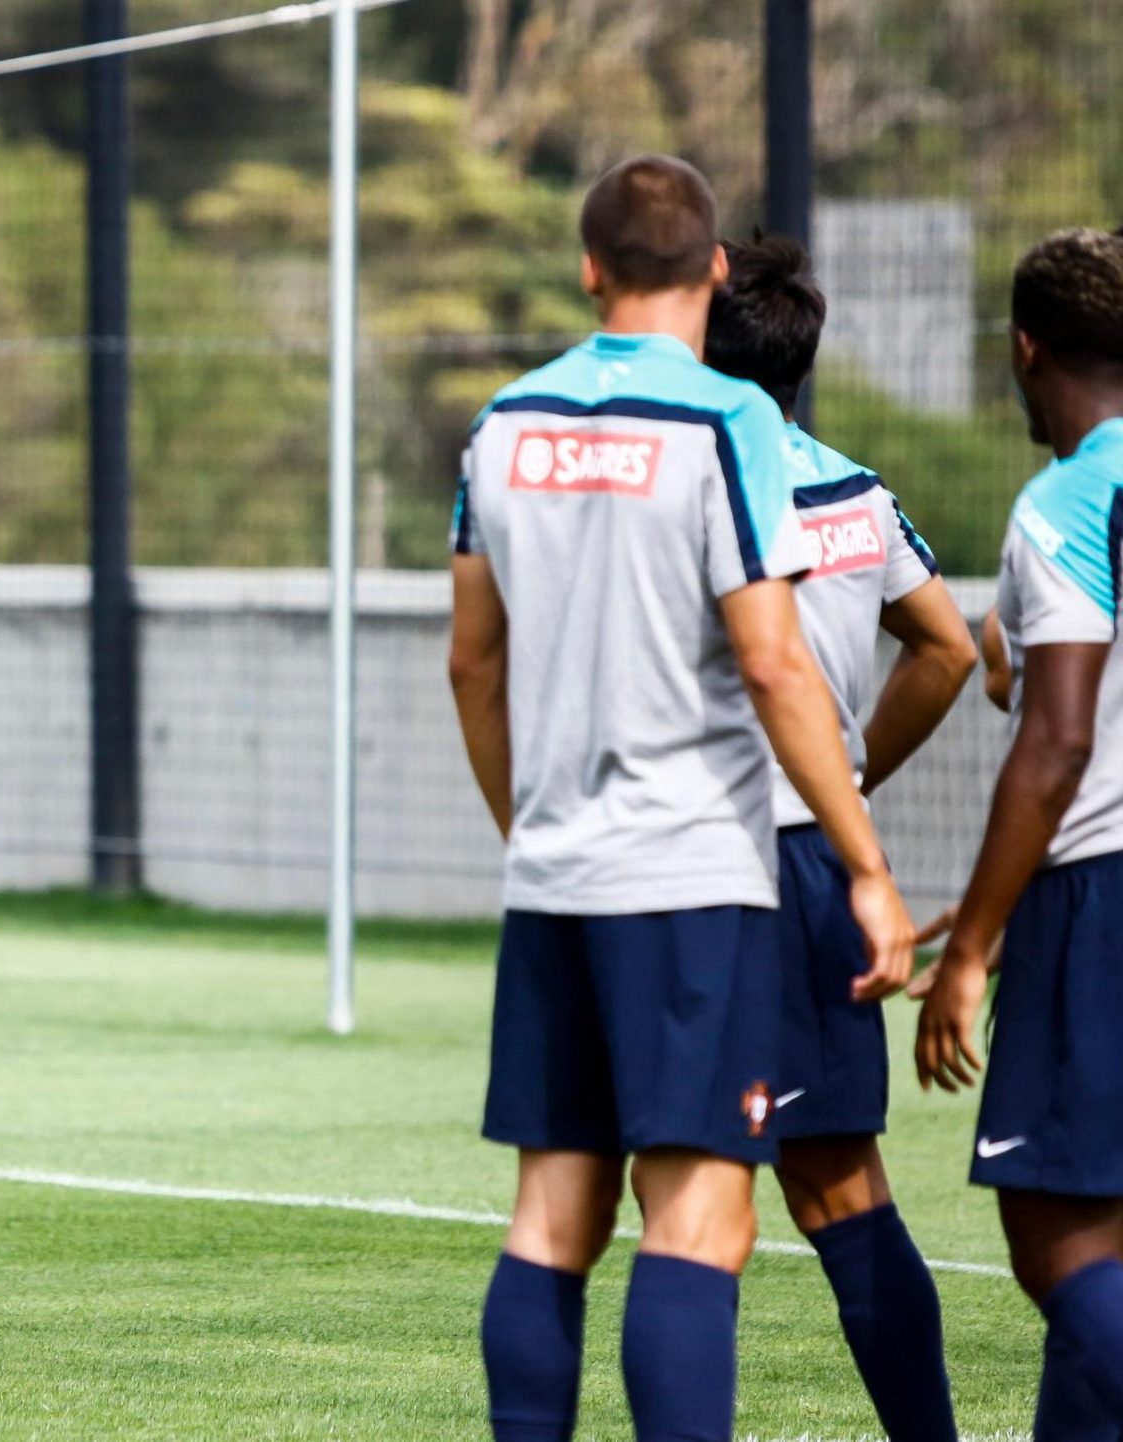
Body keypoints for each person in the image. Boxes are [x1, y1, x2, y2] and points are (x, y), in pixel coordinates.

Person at [448, 156, 914, 1442]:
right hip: (694, 879)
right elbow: (772, 659)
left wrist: (525, 826)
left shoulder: (500, 425)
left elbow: (470, 659)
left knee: (553, 1211)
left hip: (555, 875)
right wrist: (866, 865)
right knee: (699, 1214)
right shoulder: (733, 422)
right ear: (712, 272)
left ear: (589, 268)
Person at [702, 233, 972, 1440]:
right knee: (840, 1182)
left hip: (696, 853)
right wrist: (850, 780)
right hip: (818, 859)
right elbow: (951, 647)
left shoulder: (691, 476)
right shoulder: (854, 490)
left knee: (679, 1195)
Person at [919, 225, 1123, 1440]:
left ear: (1023, 345)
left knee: (1054, 1237)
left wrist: (972, 946)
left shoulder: (1065, 500)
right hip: (1081, 879)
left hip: (1098, 901)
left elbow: (1053, 742)